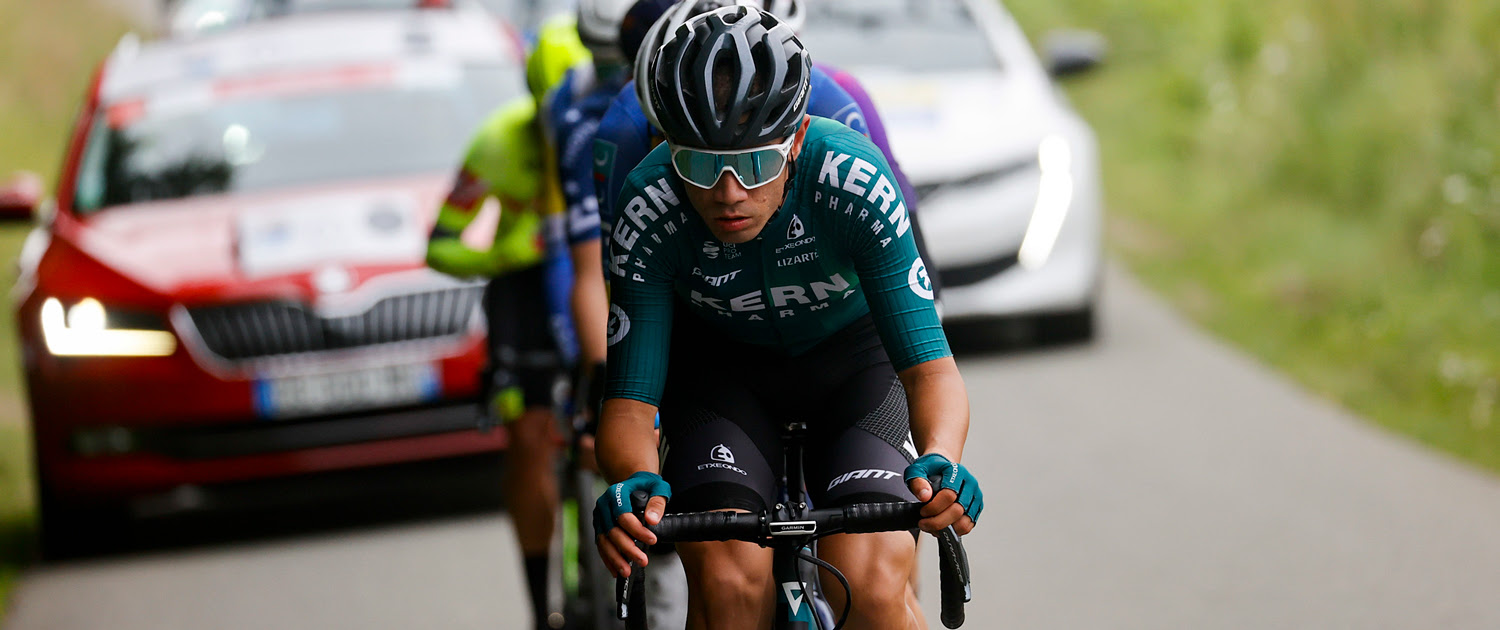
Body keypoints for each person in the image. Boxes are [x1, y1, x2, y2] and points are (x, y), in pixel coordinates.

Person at [591, 7, 982, 630]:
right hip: (721, 378)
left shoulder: (852, 179)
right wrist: (634, 478)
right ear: (666, 149)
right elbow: (630, 408)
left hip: (852, 367)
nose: (728, 193)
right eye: (700, 166)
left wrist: (943, 458)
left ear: (796, 139)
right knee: (727, 586)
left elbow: (931, 371)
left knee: (873, 586)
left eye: (754, 164)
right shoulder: (650, 204)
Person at [568, 0, 941, 408]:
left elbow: (895, 228)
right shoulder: (623, 132)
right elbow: (614, 283)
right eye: (691, 150)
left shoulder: (833, 102)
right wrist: (614, 385)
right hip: (720, 337)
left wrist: (928, 333)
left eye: (752, 157)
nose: (727, 187)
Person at [424, 13, 590, 630]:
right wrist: (512, 252)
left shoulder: (608, 126)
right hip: (522, 300)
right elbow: (440, 246)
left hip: (590, 281)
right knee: (528, 444)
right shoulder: (497, 142)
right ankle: (539, 603)